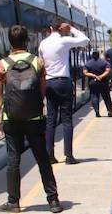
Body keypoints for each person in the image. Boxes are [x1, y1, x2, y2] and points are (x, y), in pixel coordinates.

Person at [0, 25, 63, 214]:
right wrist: (38, 109)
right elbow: (42, 92)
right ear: (26, 41)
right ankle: (53, 200)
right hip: (34, 118)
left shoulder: (2, 64)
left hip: (11, 118)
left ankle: (13, 202)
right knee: (42, 158)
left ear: (9, 42)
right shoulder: (37, 62)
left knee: (13, 159)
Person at [38, 19, 89, 165]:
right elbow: (85, 40)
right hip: (63, 82)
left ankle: (49, 155)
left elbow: (41, 64)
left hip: (48, 82)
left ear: (50, 28)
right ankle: (69, 156)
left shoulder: (43, 44)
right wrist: (72, 28)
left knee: (51, 119)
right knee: (66, 119)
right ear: (62, 29)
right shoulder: (64, 41)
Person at [83, 50, 112, 117]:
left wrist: (94, 76)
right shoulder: (104, 62)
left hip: (92, 82)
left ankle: (97, 112)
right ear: (99, 55)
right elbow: (107, 71)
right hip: (103, 82)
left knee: (94, 96)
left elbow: (85, 72)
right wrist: (101, 76)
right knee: (106, 97)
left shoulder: (88, 63)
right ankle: (110, 111)